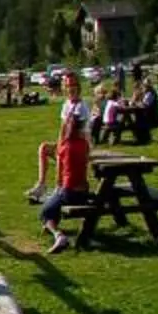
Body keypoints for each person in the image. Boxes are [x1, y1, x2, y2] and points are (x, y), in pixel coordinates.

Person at [40, 103, 97, 253]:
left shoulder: (64, 147)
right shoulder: (84, 145)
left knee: (45, 211)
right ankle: (55, 228)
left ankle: (58, 235)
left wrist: (57, 189)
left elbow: (59, 176)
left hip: (69, 191)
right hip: (83, 191)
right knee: (54, 204)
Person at [33, 71, 90, 197]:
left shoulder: (82, 107)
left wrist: (62, 147)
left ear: (78, 87)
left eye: (73, 85)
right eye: (68, 86)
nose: (71, 89)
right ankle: (42, 184)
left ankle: (59, 187)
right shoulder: (67, 105)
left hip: (78, 145)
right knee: (44, 148)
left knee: (61, 154)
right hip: (67, 142)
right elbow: (63, 128)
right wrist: (60, 144)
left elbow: (81, 132)